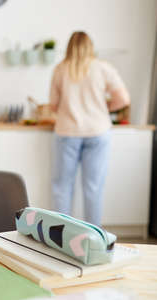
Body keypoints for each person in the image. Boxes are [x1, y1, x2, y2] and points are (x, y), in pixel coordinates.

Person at [49, 31, 130, 226]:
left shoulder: (60, 69)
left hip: (67, 132)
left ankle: (60, 235)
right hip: (98, 131)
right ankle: (94, 237)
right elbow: (123, 99)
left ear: (69, 47)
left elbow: (53, 105)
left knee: (62, 188)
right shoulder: (103, 68)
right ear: (90, 47)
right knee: (93, 188)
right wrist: (104, 108)